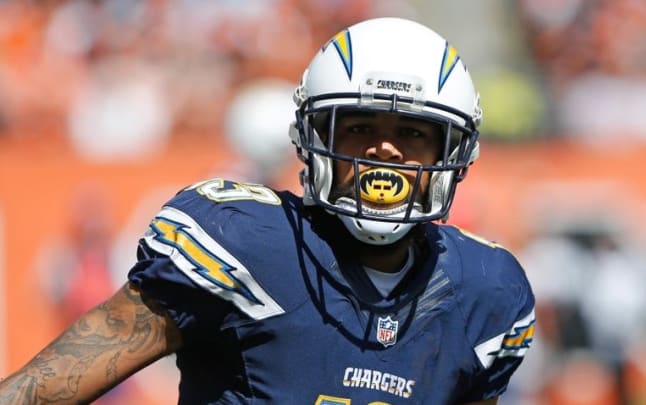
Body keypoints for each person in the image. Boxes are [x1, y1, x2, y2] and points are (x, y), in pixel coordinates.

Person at [0, 17, 535, 404]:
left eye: (413, 133)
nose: (385, 151)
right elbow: (42, 390)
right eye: (359, 127)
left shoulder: (486, 292)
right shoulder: (242, 240)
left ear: (453, 154)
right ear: (311, 139)